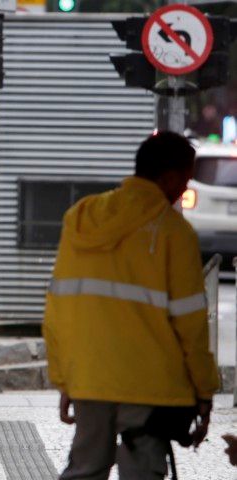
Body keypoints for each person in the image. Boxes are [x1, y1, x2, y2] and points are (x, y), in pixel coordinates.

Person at [43, 131, 218, 480]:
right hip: (150, 386)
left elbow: (58, 309)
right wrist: (204, 391)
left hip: (90, 377)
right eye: (185, 179)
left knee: (85, 469)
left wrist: (67, 380)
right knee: (142, 472)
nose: (184, 189)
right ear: (169, 178)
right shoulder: (174, 233)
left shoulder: (81, 217)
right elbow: (191, 326)